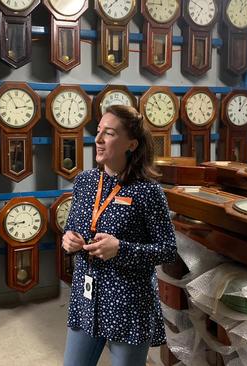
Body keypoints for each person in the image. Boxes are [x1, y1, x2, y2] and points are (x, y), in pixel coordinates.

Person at [61, 105, 176, 366]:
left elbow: (168, 249)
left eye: (109, 133)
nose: (98, 140)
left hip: (128, 304)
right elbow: (71, 228)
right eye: (98, 131)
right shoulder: (85, 181)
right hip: (86, 297)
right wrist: (69, 241)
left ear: (131, 144)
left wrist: (121, 249)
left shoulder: (148, 192)